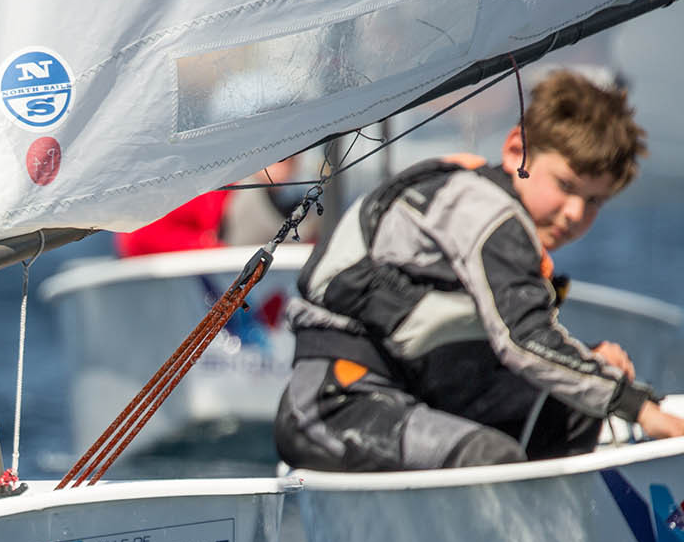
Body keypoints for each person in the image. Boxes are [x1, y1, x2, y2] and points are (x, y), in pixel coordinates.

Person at [275, 69, 684, 472]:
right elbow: (524, 340)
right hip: (334, 404)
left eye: (595, 201)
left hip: (411, 397)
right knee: (488, 458)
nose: (576, 212)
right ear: (515, 149)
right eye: (566, 185)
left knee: (576, 404)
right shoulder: (486, 211)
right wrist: (640, 408)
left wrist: (589, 365)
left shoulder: (502, 227)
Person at [116, 156, 318, 256]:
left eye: (291, 158)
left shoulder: (307, 209)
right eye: (281, 158)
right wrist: (209, 248)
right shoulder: (214, 193)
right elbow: (134, 237)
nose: (288, 164)